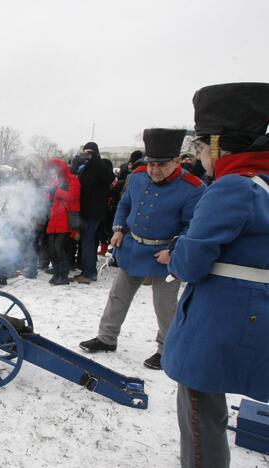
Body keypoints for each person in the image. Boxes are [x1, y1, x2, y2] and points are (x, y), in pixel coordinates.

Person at [163, 82, 269, 468]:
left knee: (201, 419)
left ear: (220, 145)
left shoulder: (231, 188)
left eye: (202, 148)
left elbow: (190, 263)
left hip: (220, 323)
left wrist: (173, 254)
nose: (201, 158)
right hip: (255, 317)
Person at [79, 128, 205, 369]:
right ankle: (106, 338)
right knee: (118, 296)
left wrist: (175, 250)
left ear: (176, 162)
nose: (155, 170)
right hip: (133, 248)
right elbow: (125, 204)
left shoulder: (193, 187)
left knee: (165, 307)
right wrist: (118, 229)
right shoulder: (136, 176)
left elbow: (194, 227)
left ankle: (166, 349)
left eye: (162, 165)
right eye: (151, 164)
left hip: (165, 255)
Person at [72, 142, 115, 284]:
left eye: (90, 153)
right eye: (85, 153)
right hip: (85, 210)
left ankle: (89, 273)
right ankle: (87, 271)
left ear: (96, 153)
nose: (87, 155)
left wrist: (96, 159)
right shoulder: (86, 168)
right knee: (86, 242)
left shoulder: (99, 166)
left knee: (88, 242)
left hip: (94, 211)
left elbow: (110, 177)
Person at [44, 159, 81, 285]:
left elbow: (73, 196)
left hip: (65, 219)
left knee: (59, 249)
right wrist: (49, 193)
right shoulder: (57, 181)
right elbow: (52, 199)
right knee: (52, 250)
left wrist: (56, 192)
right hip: (54, 218)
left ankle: (63, 276)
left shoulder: (73, 179)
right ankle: (56, 274)